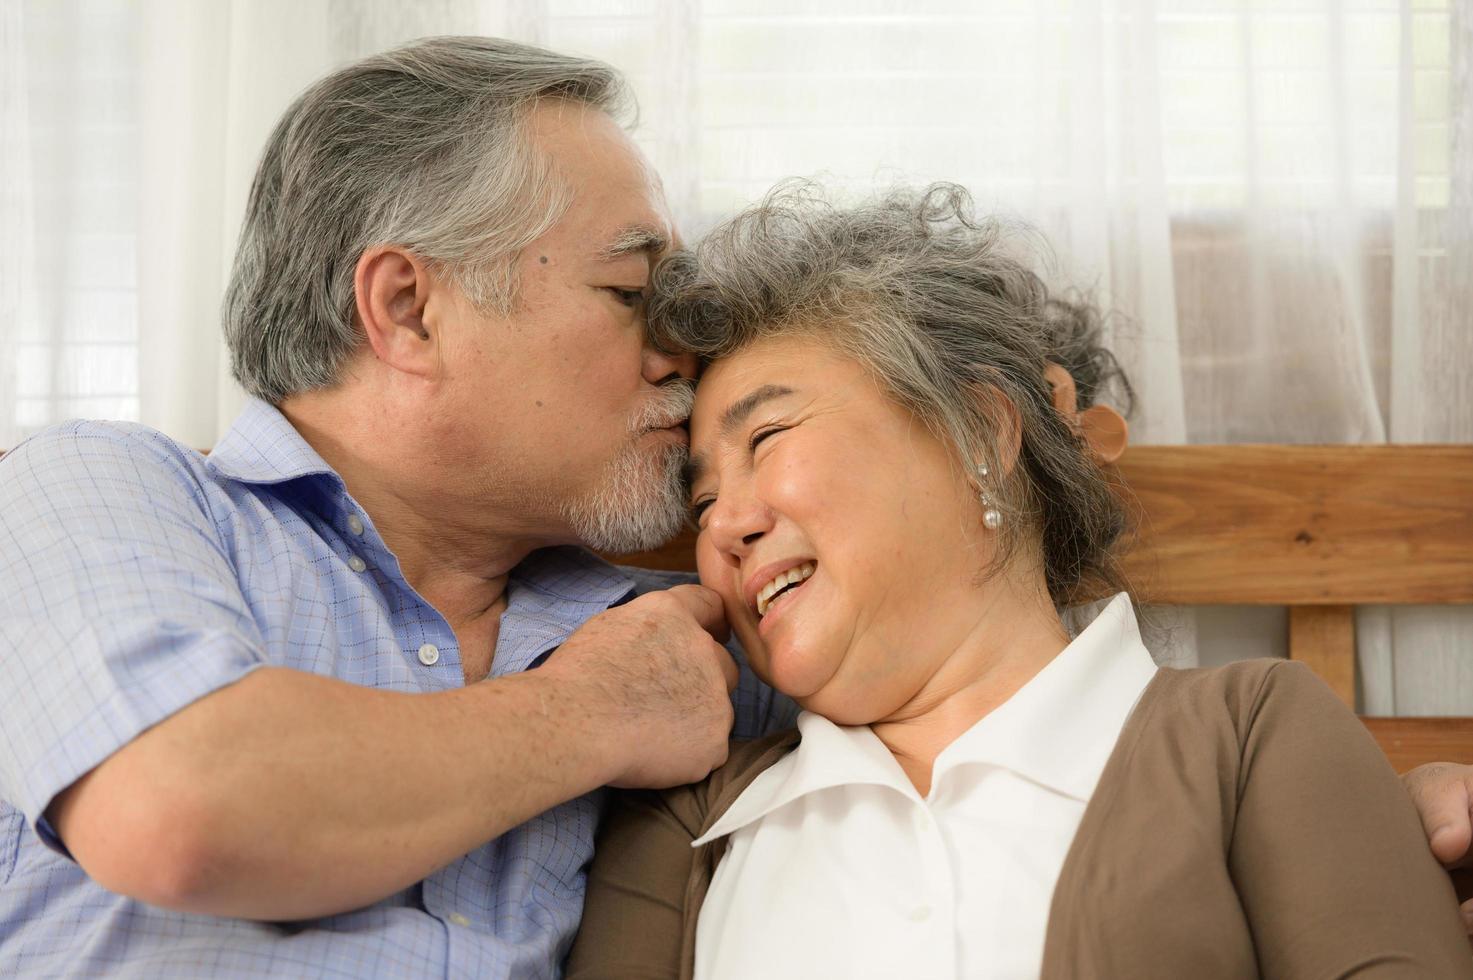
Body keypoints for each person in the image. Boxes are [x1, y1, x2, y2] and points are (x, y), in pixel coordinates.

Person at [0, 35, 1467, 979]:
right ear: (406, 305)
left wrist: (1326, 831)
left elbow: (964, 700)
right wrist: (594, 715)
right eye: (635, 292)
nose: (668, 355)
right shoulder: (105, 501)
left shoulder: (672, 643)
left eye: (752, 438)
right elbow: (180, 809)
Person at [564, 185, 1473, 978]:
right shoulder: (688, 821)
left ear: (982, 433)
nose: (722, 524)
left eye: (767, 439)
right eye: (703, 498)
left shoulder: (1245, 734)